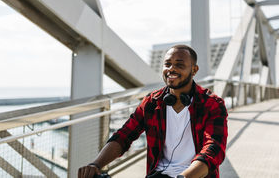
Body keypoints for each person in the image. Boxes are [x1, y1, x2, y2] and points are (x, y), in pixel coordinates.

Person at [78, 45, 228, 178]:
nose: (171, 69)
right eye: (167, 64)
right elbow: (123, 136)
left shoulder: (212, 104)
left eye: (179, 65)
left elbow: (213, 149)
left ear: (194, 70)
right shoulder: (151, 102)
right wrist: (96, 165)